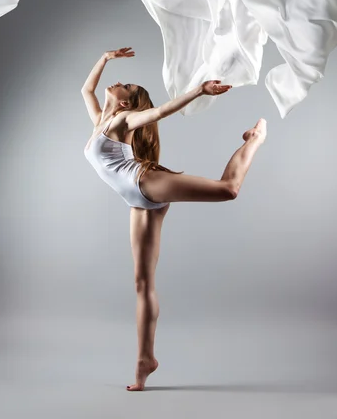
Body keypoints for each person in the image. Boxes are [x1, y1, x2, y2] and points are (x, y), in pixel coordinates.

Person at [81, 47, 267, 391]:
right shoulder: (100, 121)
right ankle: (144, 361)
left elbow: (160, 111)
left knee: (228, 189)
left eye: (125, 85)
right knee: (141, 283)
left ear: (125, 104)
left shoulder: (124, 121)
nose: (118, 83)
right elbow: (86, 90)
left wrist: (199, 91)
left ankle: (255, 139)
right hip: (134, 201)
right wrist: (104, 58)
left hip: (145, 184)